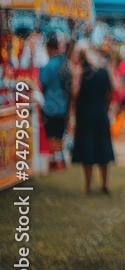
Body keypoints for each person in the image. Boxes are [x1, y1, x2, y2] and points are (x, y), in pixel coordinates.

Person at [69, 43, 115, 195]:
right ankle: (105, 184)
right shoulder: (103, 70)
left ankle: (87, 186)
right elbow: (112, 89)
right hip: (101, 114)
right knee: (103, 149)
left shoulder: (81, 72)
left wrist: (72, 115)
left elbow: (75, 93)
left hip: (85, 116)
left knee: (87, 150)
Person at [39, 36, 71, 170]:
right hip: (64, 106)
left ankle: (56, 160)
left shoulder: (48, 66)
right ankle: (59, 158)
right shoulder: (65, 64)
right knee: (60, 134)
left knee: (52, 135)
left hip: (50, 106)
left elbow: (42, 83)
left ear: (48, 48)